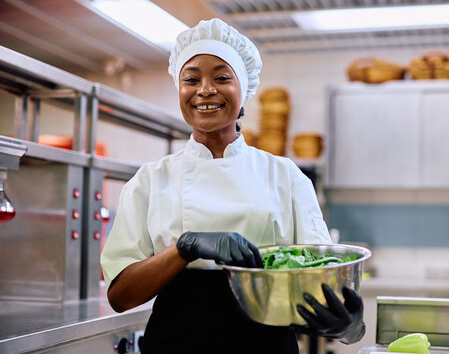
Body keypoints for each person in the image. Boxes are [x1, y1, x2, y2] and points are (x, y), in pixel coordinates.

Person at [100, 18, 365, 353]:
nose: (205, 90)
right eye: (191, 79)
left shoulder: (285, 177)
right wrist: (184, 247)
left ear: (244, 92)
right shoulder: (150, 181)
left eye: (222, 77)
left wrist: (349, 326)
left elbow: (322, 284)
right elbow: (120, 296)